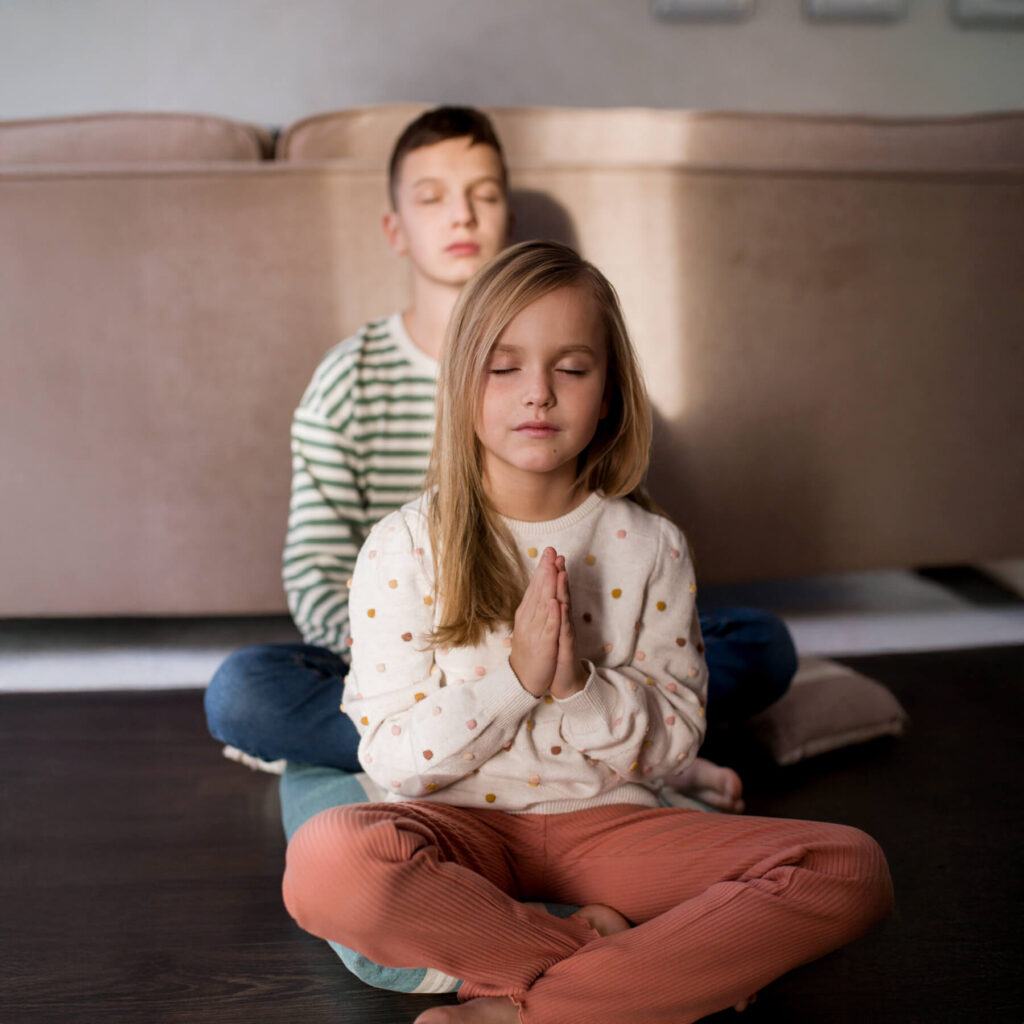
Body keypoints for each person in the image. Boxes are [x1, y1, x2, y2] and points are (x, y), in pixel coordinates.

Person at [281, 240, 893, 1024]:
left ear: (608, 393)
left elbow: (675, 747)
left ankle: (523, 1009)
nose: (537, 393)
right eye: (504, 368)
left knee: (851, 867)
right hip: (458, 823)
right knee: (328, 861)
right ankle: (614, 970)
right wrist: (517, 681)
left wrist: (577, 687)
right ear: (462, 383)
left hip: (611, 825)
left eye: (571, 368)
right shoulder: (403, 546)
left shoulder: (651, 544)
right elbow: (391, 758)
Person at [204, 105, 796, 811]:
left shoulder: (578, 386)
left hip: (581, 651)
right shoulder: (348, 381)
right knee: (244, 689)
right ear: (394, 229)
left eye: (483, 195)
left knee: (760, 643)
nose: (461, 215)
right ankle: (594, 759)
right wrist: (425, 661)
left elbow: (613, 540)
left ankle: (619, 749)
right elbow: (314, 567)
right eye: (432, 197)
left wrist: (567, 662)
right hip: (413, 654)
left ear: (509, 221)